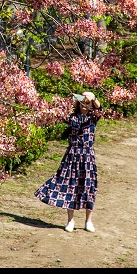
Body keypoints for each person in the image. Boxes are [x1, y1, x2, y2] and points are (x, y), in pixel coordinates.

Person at [35, 91, 101, 233]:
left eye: (87, 102)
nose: (85, 104)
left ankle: (88, 221)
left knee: (89, 187)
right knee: (71, 186)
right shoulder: (72, 117)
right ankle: (70, 220)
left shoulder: (93, 118)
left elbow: (99, 109)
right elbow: (57, 114)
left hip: (88, 155)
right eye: (82, 101)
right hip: (72, 155)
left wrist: (93, 98)